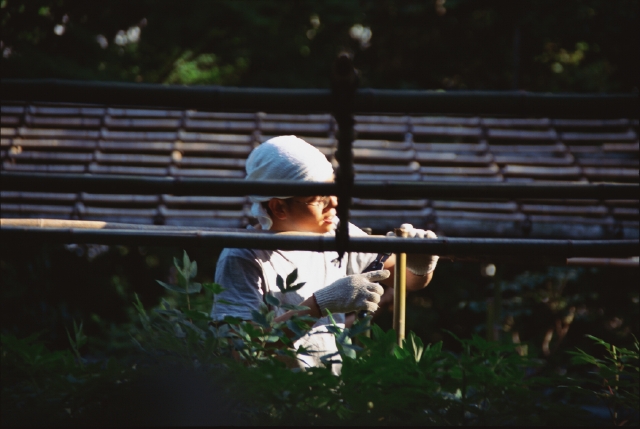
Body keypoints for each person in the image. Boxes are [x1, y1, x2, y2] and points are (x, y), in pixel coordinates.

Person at [211, 135, 438, 371]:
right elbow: (240, 349)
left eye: (333, 190)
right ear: (279, 207)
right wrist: (319, 305)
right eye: (320, 199)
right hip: (270, 397)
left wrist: (420, 265)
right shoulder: (243, 256)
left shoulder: (337, 233)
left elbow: (407, 282)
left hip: (328, 395)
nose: (335, 203)